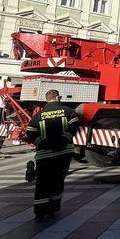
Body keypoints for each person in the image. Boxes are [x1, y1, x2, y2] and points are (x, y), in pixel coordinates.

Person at [25, 89, 80, 222]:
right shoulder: (68, 111)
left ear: (47, 99)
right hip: (64, 152)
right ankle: (53, 208)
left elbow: (30, 133)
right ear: (58, 98)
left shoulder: (38, 116)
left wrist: (42, 143)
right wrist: (64, 139)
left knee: (42, 183)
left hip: (44, 155)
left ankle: (39, 213)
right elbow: (74, 126)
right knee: (58, 180)